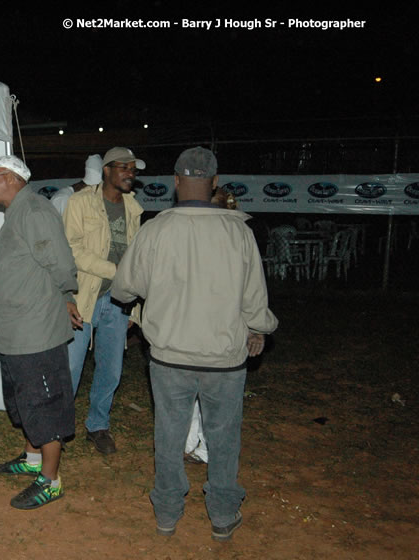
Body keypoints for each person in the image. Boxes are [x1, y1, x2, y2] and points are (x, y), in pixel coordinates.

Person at [111, 147, 278, 541]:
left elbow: (123, 288)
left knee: (169, 436)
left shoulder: (157, 229)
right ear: (215, 182)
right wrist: (259, 329)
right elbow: (256, 300)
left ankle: (167, 514)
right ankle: (222, 516)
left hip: (170, 357)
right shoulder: (239, 231)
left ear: (175, 181)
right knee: (224, 438)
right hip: (224, 358)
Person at [0, 154, 80, 509]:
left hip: (35, 333)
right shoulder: (19, 212)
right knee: (25, 401)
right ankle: (32, 457)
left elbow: (61, 262)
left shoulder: (33, 210)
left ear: (12, 178)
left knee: (44, 405)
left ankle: (50, 481)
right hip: (18, 333)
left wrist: (67, 295)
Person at [63, 147, 145, 454]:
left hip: (119, 298)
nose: (129, 173)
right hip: (84, 296)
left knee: (111, 368)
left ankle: (98, 426)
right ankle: (59, 427)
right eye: (123, 167)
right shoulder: (80, 202)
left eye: (133, 169)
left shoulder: (133, 208)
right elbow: (70, 249)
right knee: (71, 367)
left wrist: (134, 303)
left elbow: (136, 258)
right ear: (107, 170)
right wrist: (115, 270)